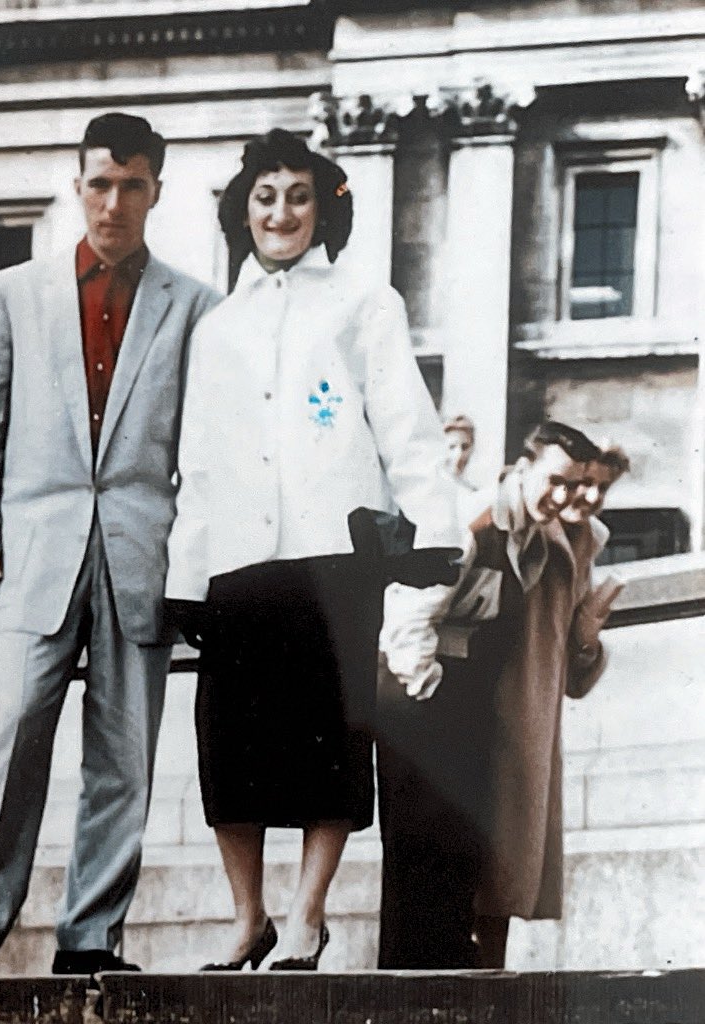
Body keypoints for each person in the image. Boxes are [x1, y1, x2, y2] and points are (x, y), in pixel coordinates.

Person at [164, 128, 459, 972]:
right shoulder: (217, 328)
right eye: (265, 196)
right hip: (237, 561)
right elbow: (201, 458)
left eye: (298, 194)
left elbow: (405, 421)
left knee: (327, 744)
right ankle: (247, 914)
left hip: (334, 553)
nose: (281, 211)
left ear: (325, 205)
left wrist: (432, 529)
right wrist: (187, 573)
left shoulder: (364, 304)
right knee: (230, 746)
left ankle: (306, 914)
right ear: (242, 211)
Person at [0, 112, 219, 977]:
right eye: (101, 183)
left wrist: (200, 566)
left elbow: (205, 452)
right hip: (34, 554)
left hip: (143, 557)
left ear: (156, 193)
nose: (115, 202)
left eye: (134, 185)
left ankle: (90, 937)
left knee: (123, 755)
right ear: (78, 186)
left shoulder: (196, 305)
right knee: (14, 734)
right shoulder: (14, 293)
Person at [377, 420, 606, 969]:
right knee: (422, 847)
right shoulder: (474, 519)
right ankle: (414, 986)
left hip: (460, 695)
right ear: (522, 469)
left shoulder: (530, 530)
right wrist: (426, 692)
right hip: (421, 691)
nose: (563, 497)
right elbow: (409, 617)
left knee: (457, 850)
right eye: (554, 480)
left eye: (574, 487)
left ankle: (445, 977)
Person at [471, 440, 630, 967]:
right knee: (477, 863)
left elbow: (575, 675)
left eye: (602, 487)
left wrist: (587, 637)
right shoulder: (528, 517)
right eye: (583, 481)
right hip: (484, 702)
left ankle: (487, 978)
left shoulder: (585, 542)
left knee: (507, 871)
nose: (588, 495)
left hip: (532, 712)